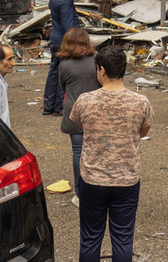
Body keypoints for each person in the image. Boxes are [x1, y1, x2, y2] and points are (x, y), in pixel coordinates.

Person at [70, 45, 154, 262]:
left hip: (92, 179)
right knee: (123, 240)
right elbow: (143, 131)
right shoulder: (141, 102)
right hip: (126, 180)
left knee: (90, 238)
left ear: (101, 70)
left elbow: (80, 125)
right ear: (124, 70)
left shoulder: (84, 100)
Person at [57, 27, 100, 208]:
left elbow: (63, 87)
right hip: (96, 113)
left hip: (74, 114)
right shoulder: (97, 60)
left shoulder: (64, 65)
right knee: (98, 153)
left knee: (78, 153)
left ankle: (80, 194)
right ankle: (99, 189)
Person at [44, 0, 80, 116]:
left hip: (56, 39)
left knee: (54, 72)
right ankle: (59, 107)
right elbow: (67, 24)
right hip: (64, 41)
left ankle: (48, 106)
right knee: (62, 74)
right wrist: (75, 42)